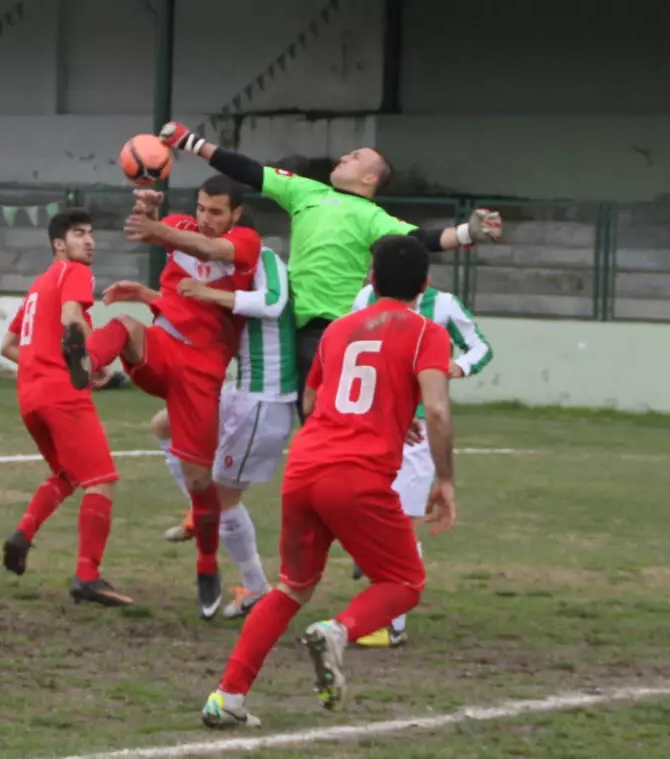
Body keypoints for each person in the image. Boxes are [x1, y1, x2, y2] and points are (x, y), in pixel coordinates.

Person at [199, 234, 456, 729]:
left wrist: (389, 415)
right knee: (403, 583)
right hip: (356, 476)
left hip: (306, 467)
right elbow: (439, 409)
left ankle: (227, 695)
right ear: (424, 284)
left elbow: (317, 402)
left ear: (371, 279)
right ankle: (339, 631)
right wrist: (445, 478)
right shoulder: (427, 333)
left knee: (292, 586)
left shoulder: (338, 330)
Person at [156, 120, 501, 422]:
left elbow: (422, 238)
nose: (345, 156)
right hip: (286, 326)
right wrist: (191, 143)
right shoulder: (305, 190)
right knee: (282, 409)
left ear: (370, 177)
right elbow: (247, 170)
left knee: (321, 416)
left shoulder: (373, 217)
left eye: (356, 157)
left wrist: (469, 232)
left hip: (332, 329)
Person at [72, 176, 261, 620]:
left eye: (217, 211)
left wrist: (157, 227)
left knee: (201, 486)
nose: (206, 218)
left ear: (236, 214)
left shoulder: (245, 243)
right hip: (164, 347)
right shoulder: (178, 225)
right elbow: (169, 249)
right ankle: (88, 366)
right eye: (201, 208)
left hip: (202, 374)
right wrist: (150, 209)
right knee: (124, 326)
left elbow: (209, 253)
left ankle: (207, 566)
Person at [153, 233, 296, 619]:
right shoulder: (228, 270)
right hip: (240, 390)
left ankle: (256, 587)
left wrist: (210, 295)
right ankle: (199, 512)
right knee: (165, 425)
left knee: (224, 497)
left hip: (263, 399)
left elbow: (272, 302)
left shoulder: (266, 261)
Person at [349, 280, 494, 648]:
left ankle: (393, 623)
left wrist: (455, 367)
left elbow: (480, 347)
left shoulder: (443, 305)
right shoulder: (365, 299)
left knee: (398, 523)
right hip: (374, 423)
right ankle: (370, 564)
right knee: (360, 508)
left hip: (417, 433)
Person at [0, 209, 131, 607]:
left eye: (91, 233)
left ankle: (22, 533)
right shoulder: (74, 272)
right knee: (102, 479)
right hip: (62, 396)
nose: (89, 241)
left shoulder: (37, 286)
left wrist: (45, 368)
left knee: (67, 474)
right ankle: (87, 576)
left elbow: (7, 346)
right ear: (60, 244)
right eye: (78, 234)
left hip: (30, 398)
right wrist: (95, 364)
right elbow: (72, 316)